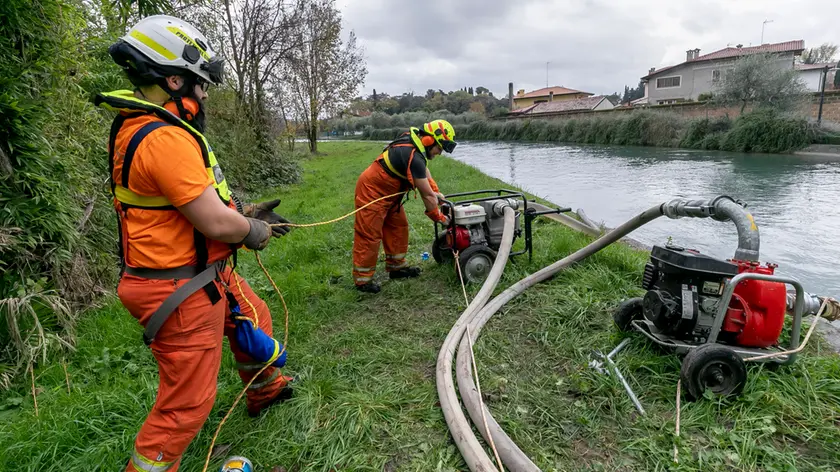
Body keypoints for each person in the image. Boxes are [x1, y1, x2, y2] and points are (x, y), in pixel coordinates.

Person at [95, 15, 294, 472]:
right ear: (172, 78)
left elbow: (189, 206)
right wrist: (253, 231)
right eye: (200, 83)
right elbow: (213, 223)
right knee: (188, 403)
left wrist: (242, 215)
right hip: (179, 290)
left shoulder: (149, 127)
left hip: (200, 274)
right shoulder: (164, 138)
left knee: (254, 315)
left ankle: (265, 391)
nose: (204, 94)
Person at [352, 120, 457, 293]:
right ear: (429, 140)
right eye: (439, 148)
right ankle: (363, 281)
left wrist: (437, 192)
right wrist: (441, 218)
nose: (439, 153)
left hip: (391, 195)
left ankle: (397, 268)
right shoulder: (412, 154)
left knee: (398, 227)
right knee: (370, 234)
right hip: (372, 192)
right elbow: (427, 196)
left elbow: (424, 174)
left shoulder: (416, 147)